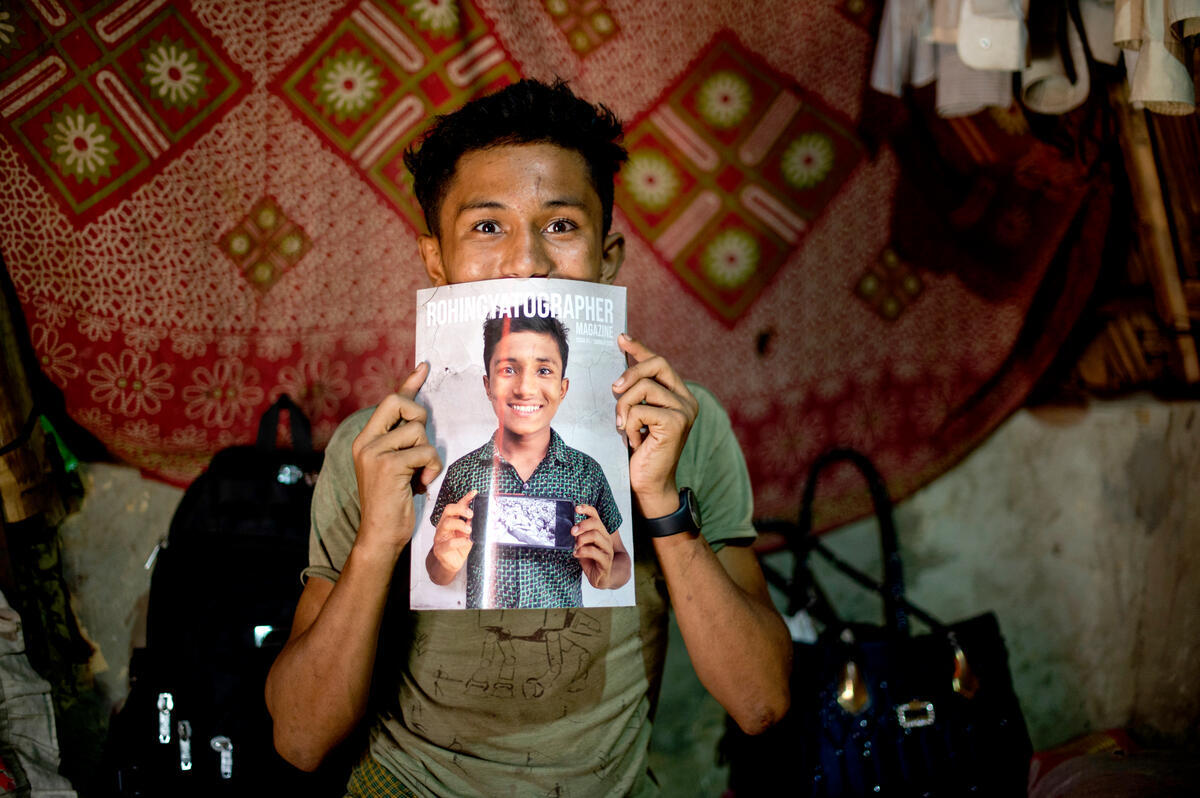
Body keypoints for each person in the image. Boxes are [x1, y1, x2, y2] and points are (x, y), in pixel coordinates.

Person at [264, 78, 792, 797]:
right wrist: (377, 547)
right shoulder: (379, 446)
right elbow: (299, 740)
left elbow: (761, 702)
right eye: (487, 227)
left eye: (561, 226)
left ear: (608, 259)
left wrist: (661, 505)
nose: (526, 263)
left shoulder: (679, 428)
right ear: (435, 262)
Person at [426, 312, 631, 608]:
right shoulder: (462, 473)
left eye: (544, 371)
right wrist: (443, 563)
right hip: (485, 636)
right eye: (509, 369)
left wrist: (608, 574)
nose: (525, 388)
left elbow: (621, 558)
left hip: (563, 637)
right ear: (487, 385)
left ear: (563, 388)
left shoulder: (587, 473)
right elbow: (436, 570)